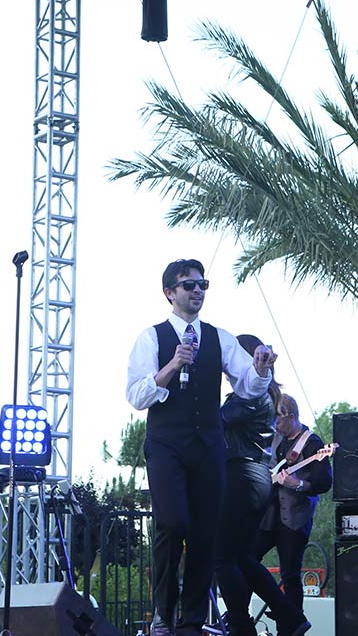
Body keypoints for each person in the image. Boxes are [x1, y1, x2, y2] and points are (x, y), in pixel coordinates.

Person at [126, 259, 277, 636]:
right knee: (172, 522)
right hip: (166, 444)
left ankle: (192, 621)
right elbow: (137, 396)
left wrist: (260, 369)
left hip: (208, 446)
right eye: (188, 285)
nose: (197, 290)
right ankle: (163, 612)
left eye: (202, 284)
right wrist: (172, 365)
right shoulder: (152, 337)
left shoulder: (218, 337)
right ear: (169, 293)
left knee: (205, 533)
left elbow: (248, 385)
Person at [214, 335, 310, 636]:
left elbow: (214, 421)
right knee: (240, 556)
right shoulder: (264, 395)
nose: (227, 371)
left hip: (241, 476)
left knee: (222, 557)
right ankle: (289, 616)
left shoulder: (250, 397)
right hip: (254, 479)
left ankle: (242, 626)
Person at [253, 394, 331, 615]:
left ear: (292, 416)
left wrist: (298, 484)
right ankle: (248, 612)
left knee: (290, 573)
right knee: (247, 557)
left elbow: (325, 481)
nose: (275, 425)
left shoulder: (312, 443)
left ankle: (292, 621)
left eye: (278, 420)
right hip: (269, 515)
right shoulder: (275, 439)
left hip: (295, 518)